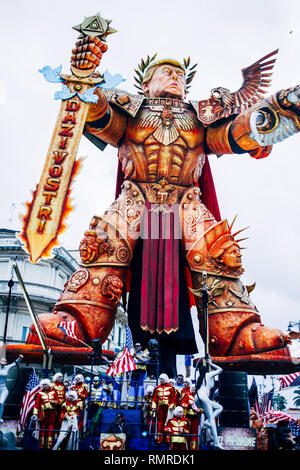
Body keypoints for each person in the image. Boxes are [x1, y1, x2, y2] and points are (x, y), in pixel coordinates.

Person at [26, 29, 300, 373]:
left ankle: (236, 331)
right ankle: (76, 323)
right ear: (146, 82)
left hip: (186, 201)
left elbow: (232, 134)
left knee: (216, 254)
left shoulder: (200, 116)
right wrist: (86, 85)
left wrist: (278, 109)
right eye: (167, 72)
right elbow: (98, 117)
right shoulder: (129, 110)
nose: (176, 78)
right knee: (105, 246)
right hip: (136, 199)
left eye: (181, 75)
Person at [194, 358, 223, 450]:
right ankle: (216, 443)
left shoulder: (199, 378)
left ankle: (207, 422)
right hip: (203, 398)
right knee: (212, 421)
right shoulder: (208, 374)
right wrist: (211, 363)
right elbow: (220, 370)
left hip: (197, 400)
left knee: (219, 407)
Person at [32, 378, 59, 449]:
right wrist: (35, 413)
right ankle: (41, 446)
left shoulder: (53, 392)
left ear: (48, 384)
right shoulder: (39, 394)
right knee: (43, 429)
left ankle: (49, 446)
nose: (44, 386)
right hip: (43, 414)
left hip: (52, 413)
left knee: (51, 428)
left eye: (45, 384)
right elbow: (36, 404)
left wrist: (54, 402)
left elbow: (58, 401)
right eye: (43, 385)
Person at [151, 373, 177, 444]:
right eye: (160, 379)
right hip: (160, 408)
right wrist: (153, 407)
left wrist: (172, 406)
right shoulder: (157, 388)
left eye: (161, 379)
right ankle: (159, 439)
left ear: (165, 379)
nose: (160, 380)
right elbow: (154, 398)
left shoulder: (171, 388)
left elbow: (174, 398)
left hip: (168, 408)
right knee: (160, 422)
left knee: (168, 422)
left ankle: (167, 439)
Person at [0, 354, 23, 423]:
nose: (2, 364)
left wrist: (19, 358)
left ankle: (0, 417)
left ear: (6, 363)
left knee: (1, 403)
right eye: (1, 363)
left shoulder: (7, 367)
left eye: (4, 363)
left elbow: (15, 364)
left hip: (3, 388)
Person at [128, 343, 150, 408]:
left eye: (138, 346)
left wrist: (137, 356)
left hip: (141, 371)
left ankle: (139, 403)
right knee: (132, 385)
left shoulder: (145, 353)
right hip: (134, 371)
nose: (136, 347)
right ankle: (131, 403)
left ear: (141, 347)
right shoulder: (132, 353)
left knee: (140, 385)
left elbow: (146, 361)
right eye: (135, 346)